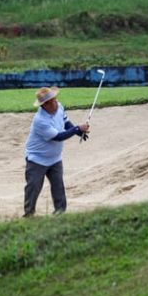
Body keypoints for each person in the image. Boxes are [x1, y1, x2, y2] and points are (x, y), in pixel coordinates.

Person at [23, 86, 90, 217]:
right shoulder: (40, 120)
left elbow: (66, 123)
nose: (56, 101)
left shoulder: (59, 107)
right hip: (37, 159)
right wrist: (77, 129)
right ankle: (29, 214)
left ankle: (60, 213)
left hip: (55, 158)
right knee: (34, 187)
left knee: (58, 186)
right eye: (52, 100)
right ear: (45, 104)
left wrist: (79, 133)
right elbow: (58, 137)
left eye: (55, 99)